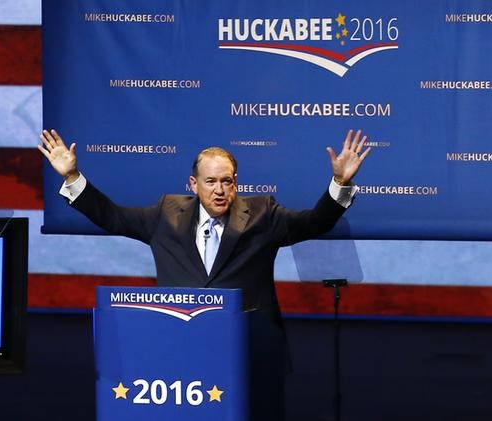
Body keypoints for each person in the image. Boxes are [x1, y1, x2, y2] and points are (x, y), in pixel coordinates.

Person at [38, 129, 371, 419]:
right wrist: (72, 178)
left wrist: (340, 183)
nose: (219, 190)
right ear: (193, 184)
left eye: (227, 181)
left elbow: (314, 222)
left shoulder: (262, 214)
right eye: (210, 181)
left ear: (236, 182)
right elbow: (111, 216)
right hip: (184, 353)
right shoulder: (166, 214)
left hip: (250, 352)